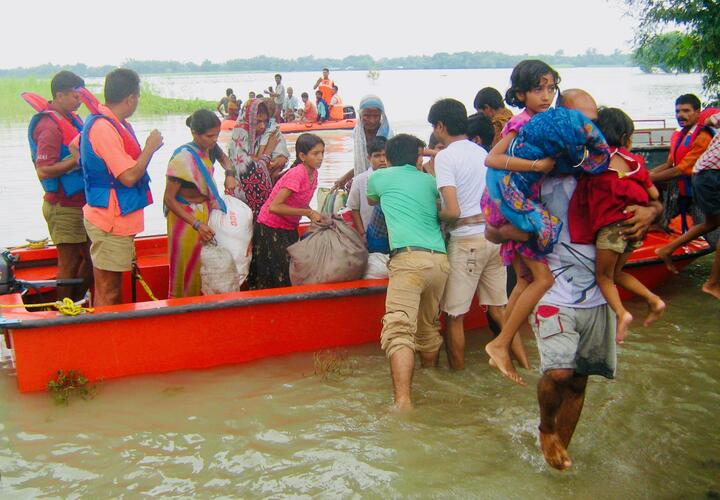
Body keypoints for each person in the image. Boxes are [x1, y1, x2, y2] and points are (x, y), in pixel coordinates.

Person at [486, 172, 661, 470]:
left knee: (579, 382)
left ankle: (560, 455)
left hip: (597, 297)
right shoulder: (532, 178)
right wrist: (508, 232)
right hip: (552, 295)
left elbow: (652, 199)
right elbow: (491, 228)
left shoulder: (606, 176)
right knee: (559, 373)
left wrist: (653, 210)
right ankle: (546, 429)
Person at [482, 67, 610, 386]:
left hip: (514, 200)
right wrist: (536, 166)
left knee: (526, 279)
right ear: (521, 93)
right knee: (543, 279)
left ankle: (504, 342)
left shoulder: (547, 125)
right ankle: (500, 343)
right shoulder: (523, 122)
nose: (546, 96)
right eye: (539, 90)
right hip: (510, 198)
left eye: (551, 89)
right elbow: (492, 160)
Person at [428, 98, 524, 371]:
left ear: (441, 126)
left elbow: (453, 210)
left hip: (467, 240)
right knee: (499, 310)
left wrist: (436, 214)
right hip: (494, 237)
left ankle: (458, 376)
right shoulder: (482, 151)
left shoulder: (446, 156)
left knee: (454, 315)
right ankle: (524, 367)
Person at [569, 107, 666, 342]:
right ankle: (654, 300)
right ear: (625, 138)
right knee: (617, 273)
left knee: (603, 277)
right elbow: (653, 193)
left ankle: (622, 313)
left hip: (611, 229)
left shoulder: (595, 161)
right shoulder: (636, 162)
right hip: (633, 228)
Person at [367, 134, 449, 410]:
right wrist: (428, 158)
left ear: (387, 158)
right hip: (439, 260)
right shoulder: (430, 180)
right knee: (428, 329)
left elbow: (371, 200)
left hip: (408, 259)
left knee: (399, 330)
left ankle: (403, 402)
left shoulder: (380, 177)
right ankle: (432, 382)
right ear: (418, 157)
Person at [79, 68, 164, 307]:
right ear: (130, 99)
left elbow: (77, 147)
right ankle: (105, 340)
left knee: (108, 286)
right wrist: (150, 147)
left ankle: (104, 336)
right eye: (137, 97)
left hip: (114, 218)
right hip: (109, 220)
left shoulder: (111, 123)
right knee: (110, 289)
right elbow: (128, 177)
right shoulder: (104, 127)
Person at [27, 70, 92, 301]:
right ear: (60, 95)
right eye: (76, 96)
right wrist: (75, 160)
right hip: (63, 206)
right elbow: (43, 169)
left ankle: (73, 302)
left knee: (94, 259)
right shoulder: (49, 126)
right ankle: (64, 310)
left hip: (81, 203)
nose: (80, 101)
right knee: (70, 261)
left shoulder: (71, 120)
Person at [654, 112, 720, 299]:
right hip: (711, 175)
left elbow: (710, 120)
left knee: (711, 223)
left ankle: (667, 249)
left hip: (704, 174)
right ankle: (712, 283)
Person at [163, 110, 225, 298]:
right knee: (187, 266)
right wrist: (196, 223)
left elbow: (227, 162)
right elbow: (169, 198)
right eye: (209, 136)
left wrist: (230, 175)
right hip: (185, 219)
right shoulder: (183, 158)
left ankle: (202, 307)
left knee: (203, 266)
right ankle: (183, 307)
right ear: (195, 134)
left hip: (204, 213)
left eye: (217, 135)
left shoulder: (210, 148)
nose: (214, 140)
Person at [252, 133, 324, 289]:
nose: (320, 157)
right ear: (302, 156)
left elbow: (301, 202)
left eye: (322, 153)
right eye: (316, 153)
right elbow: (275, 207)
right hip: (271, 228)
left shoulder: (314, 173)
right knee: (280, 273)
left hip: (289, 226)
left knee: (290, 270)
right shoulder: (297, 174)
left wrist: (314, 214)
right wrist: (308, 213)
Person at [650, 94, 716, 232]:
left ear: (697, 113)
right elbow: (669, 164)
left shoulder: (702, 137)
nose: (680, 115)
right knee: (654, 185)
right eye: (678, 111)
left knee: (710, 229)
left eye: (686, 111)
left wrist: (646, 178)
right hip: (682, 188)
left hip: (701, 190)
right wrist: (647, 174)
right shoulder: (679, 134)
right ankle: (661, 223)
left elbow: (681, 169)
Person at [226, 99, 286, 217]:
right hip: (242, 198)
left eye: (265, 121)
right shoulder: (240, 134)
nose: (262, 126)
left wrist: (270, 161)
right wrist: (267, 153)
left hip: (262, 193)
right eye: (258, 121)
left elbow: (281, 158)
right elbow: (248, 170)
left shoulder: (270, 132)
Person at [335, 95, 393, 188]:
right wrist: (345, 178)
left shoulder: (388, 136)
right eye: (367, 115)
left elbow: (387, 165)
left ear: (381, 116)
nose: (372, 120)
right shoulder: (357, 134)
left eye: (376, 116)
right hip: (362, 181)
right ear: (360, 115)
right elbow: (361, 163)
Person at [347, 137, 387, 237]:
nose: (382, 160)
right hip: (370, 233)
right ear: (369, 158)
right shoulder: (359, 180)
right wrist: (362, 234)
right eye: (377, 156)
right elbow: (354, 209)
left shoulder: (396, 178)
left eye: (385, 155)